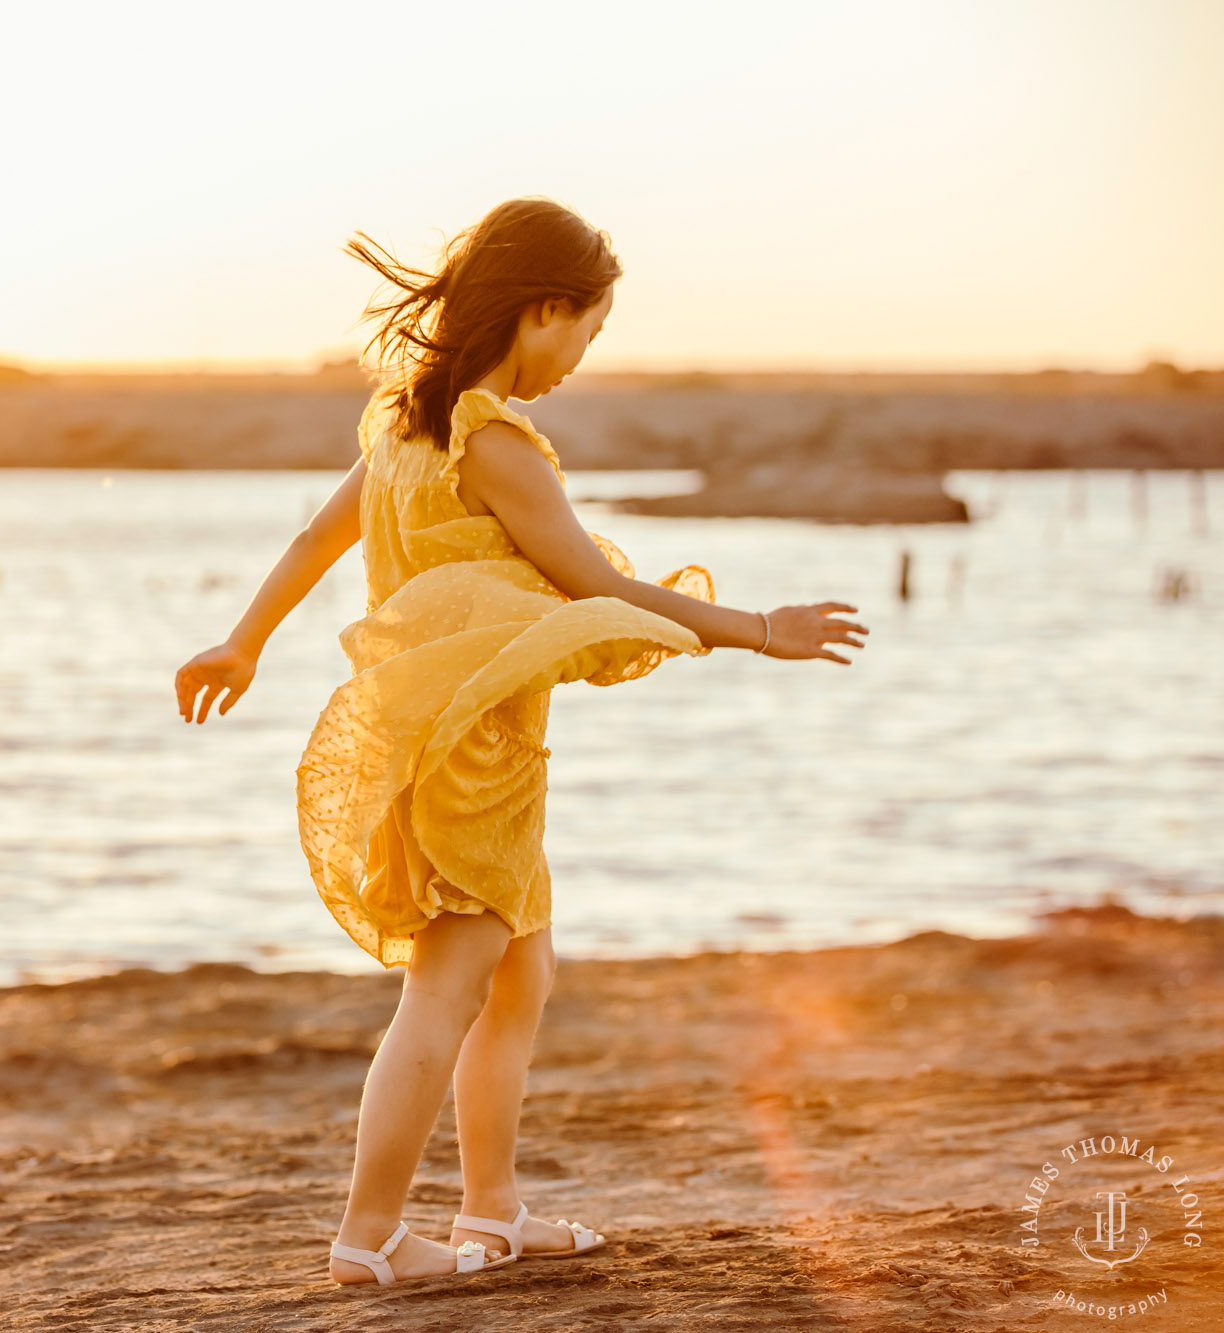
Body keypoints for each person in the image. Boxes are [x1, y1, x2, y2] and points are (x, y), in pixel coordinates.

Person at [174, 197, 868, 1288]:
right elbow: (592, 583)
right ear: (544, 310)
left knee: (518, 975)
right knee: (446, 988)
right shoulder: (493, 443)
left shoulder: (402, 422)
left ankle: (491, 1210)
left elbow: (318, 535)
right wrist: (756, 630)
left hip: (450, 739)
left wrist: (241, 640)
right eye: (587, 333)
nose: (581, 360)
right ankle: (368, 1234)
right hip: (473, 757)